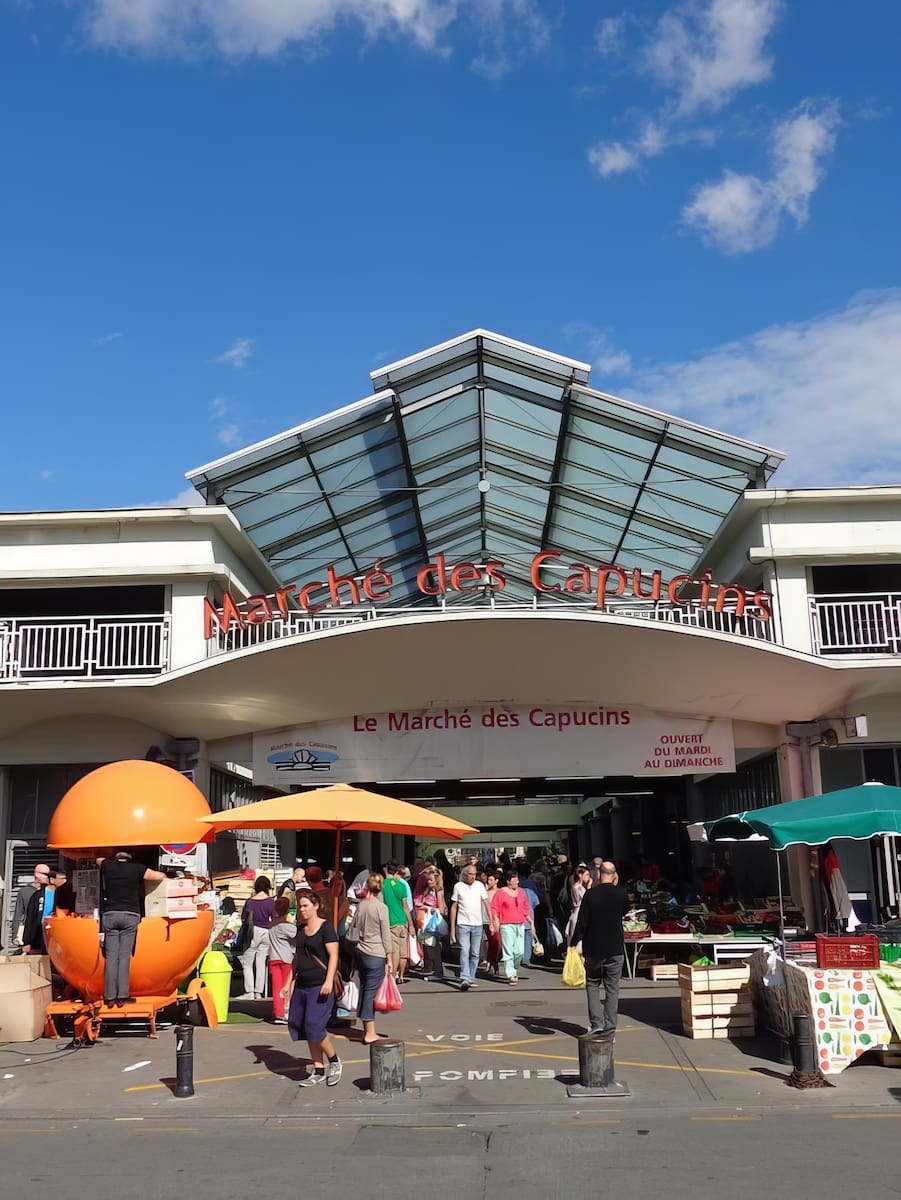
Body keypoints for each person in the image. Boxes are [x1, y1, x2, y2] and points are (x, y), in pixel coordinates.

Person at [285, 890, 342, 1087]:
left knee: (314, 1026)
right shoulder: (300, 929)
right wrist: (288, 983)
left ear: (316, 906)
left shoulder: (326, 928)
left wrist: (328, 981)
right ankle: (318, 1068)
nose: (302, 910)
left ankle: (334, 1060)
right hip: (302, 985)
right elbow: (296, 958)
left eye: (305, 906)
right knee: (305, 1027)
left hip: (320, 985)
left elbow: (334, 955)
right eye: (300, 906)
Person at [96, 851, 165, 1006]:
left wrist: (109, 858)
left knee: (111, 957)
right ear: (130, 858)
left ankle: (109, 997)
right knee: (124, 956)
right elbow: (157, 876)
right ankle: (122, 996)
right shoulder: (137, 868)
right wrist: (168, 876)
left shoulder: (107, 866)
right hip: (130, 915)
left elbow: (99, 859)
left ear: (117, 858)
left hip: (110, 914)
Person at [572, 860, 629, 1036]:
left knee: (592, 984)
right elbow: (624, 912)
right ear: (614, 875)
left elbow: (582, 921)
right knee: (612, 989)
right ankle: (610, 1028)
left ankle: (596, 1023)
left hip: (594, 948)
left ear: (598, 874)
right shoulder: (621, 893)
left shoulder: (590, 895)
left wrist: (574, 942)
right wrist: (616, 885)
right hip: (615, 948)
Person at [346, 872, 393, 1043]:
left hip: (360, 951)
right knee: (370, 992)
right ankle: (369, 1032)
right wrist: (389, 958)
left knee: (365, 988)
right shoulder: (381, 908)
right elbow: (386, 935)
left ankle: (367, 1028)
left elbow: (353, 930)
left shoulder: (361, 905)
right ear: (380, 888)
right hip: (376, 952)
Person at [490, 870, 535, 986]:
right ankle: (511, 973)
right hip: (506, 925)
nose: (517, 882)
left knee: (520, 951)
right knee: (508, 950)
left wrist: (530, 920)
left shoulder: (521, 892)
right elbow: (494, 908)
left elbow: (525, 907)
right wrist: (495, 921)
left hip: (520, 924)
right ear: (508, 881)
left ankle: (513, 968)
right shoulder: (500, 893)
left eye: (517, 879)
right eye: (514, 880)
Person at [450, 862, 489, 990]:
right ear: (464, 875)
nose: (472, 877)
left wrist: (492, 920)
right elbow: (454, 907)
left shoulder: (480, 886)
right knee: (464, 950)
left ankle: (470, 977)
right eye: (470, 874)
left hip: (477, 924)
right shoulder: (458, 886)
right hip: (463, 924)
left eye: (474, 874)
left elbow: (486, 902)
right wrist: (452, 928)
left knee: (475, 953)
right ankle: (465, 978)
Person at [239, 876, 275, 1000]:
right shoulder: (271, 901)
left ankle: (249, 991)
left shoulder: (250, 902)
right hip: (267, 932)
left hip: (253, 932)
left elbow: (244, 918)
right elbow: (274, 917)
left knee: (248, 963)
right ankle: (259, 991)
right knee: (261, 962)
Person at [382, 862, 416, 984]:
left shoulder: (383, 885)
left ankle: (392, 976)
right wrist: (411, 925)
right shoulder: (401, 885)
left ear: (386, 870)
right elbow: (405, 906)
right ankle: (400, 975)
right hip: (403, 920)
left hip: (391, 921)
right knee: (403, 952)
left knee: (394, 951)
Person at [413, 865, 447, 981]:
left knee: (434, 947)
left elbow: (441, 909)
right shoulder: (428, 889)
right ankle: (437, 971)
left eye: (431, 880)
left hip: (433, 920)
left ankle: (438, 972)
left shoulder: (438, 891)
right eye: (428, 879)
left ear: (436, 879)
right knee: (429, 946)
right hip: (427, 919)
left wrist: (427, 908)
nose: (429, 881)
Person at [21, 867, 64, 956]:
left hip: (58, 934)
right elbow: (30, 919)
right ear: (52, 880)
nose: (64, 881)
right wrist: (27, 941)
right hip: (40, 934)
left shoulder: (63, 894)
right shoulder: (37, 895)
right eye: (62, 879)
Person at [268, 896, 297, 1023]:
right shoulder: (286, 926)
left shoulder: (271, 925)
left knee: (276, 987)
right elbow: (298, 936)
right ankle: (286, 1011)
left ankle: (277, 1013)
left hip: (273, 958)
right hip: (286, 958)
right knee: (287, 986)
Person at [12, 864, 50, 947]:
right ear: (37, 874)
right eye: (45, 874)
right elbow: (18, 914)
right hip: (30, 932)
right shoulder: (25, 891)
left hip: (46, 931)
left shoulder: (50, 891)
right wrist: (15, 934)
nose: (47, 877)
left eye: (49, 874)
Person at [565, 864, 592, 947]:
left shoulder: (576, 886)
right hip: (578, 913)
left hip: (577, 912)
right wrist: (589, 886)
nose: (589, 877)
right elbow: (588, 898)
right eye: (587, 875)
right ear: (580, 875)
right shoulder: (578, 887)